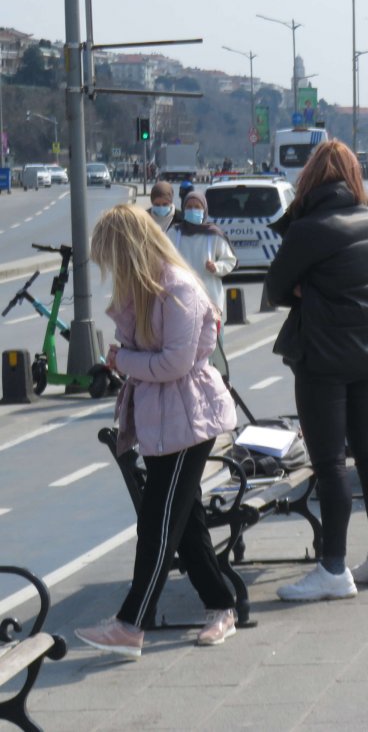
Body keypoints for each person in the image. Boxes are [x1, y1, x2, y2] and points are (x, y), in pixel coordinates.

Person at [75, 205, 239, 657]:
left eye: (112, 257)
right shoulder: (151, 288)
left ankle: (132, 623)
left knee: (159, 520)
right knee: (183, 520)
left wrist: (122, 360)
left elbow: (175, 363)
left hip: (189, 419)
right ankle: (221, 605)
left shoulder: (178, 288)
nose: (110, 269)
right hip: (167, 418)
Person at [266, 140, 368, 600]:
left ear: (309, 177)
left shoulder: (309, 228)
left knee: (329, 463)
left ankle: (334, 568)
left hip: (323, 357)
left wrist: (309, 290)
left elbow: (276, 289)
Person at [169, 190, 237, 317]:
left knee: (214, 336)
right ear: (183, 209)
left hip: (210, 299)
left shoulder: (213, 234)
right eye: (189, 207)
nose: (193, 210)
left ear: (204, 209)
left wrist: (216, 267)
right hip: (181, 300)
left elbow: (229, 260)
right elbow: (163, 257)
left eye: (197, 207)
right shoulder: (175, 233)